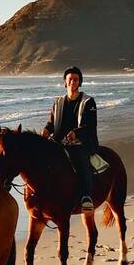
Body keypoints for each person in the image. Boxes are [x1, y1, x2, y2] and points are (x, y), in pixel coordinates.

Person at [43, 66, 98, 212]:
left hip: (82, 142)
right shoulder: (58, 102)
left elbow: (89, 126)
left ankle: (86, 196)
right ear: (65, 82)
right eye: (70, 79)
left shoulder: (88, 102)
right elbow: (51, 122)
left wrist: (76, 133)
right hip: (59, 142)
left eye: (76, 80)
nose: (73, 82)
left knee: (81, 159)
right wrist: (46, 130)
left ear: (80, 82)